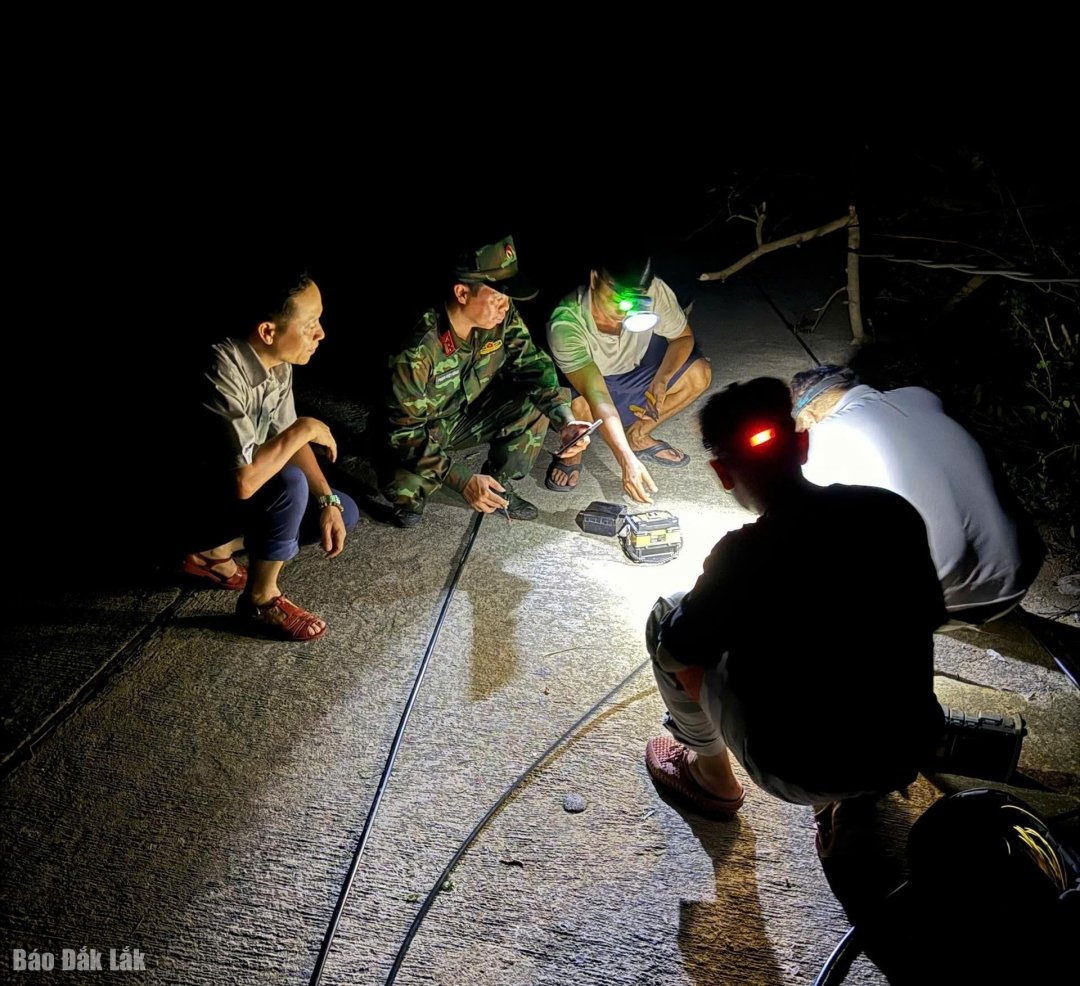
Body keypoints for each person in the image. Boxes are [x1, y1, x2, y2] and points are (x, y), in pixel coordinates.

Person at [643, 378, 946, 853]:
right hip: (908, 743)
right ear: (802, 445)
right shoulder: (887, 511)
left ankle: (711, 776)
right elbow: (930, 613)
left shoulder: (742, 555)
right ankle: (859, 797)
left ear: (723, 473)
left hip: (797, 768)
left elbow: (679, 649)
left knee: (665, 619)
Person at [790, 365, 1045, 625]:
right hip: (1023, 566)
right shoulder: (923, 396)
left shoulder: (820, 436)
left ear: (808, 417)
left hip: (944, 601)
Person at [184, 269, 360, 642]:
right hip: (189, 500)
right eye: (311, 323)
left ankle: (214, 552)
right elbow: (246, 481)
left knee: (341, 509)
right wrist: (305, 429)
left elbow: (287, 437)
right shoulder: (221, 368)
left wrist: (327, 498)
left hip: (229, 497)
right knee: (288, 484)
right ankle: (260, 600)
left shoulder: (276, 361)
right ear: (268, 331)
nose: (321, 333)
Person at [383, 234, 592, 527]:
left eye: (507, 298)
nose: (505, 307)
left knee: (534, 400)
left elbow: (533, 365)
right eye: (496, 297)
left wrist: (566, 420)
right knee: (403, 487)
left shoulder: (499, 318)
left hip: (465, 416)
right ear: (461, 293)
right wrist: (463, 479)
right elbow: (403, 434)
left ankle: (497, 486)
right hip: (419, 431)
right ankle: (419, 494)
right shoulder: (417, 346)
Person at [545, 253, 712, 503]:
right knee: (576, 408)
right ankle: (572, 453)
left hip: (634, 374)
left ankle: (639, 435)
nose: (622, 314)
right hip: (593, 388)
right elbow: (597, 395)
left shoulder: (654, 290)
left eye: (634, 301)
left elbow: (682, 337)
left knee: (700, 374)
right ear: (594, 279)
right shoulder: (566, 322)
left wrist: (662, 380)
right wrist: (626, 461)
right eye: (617, 299)